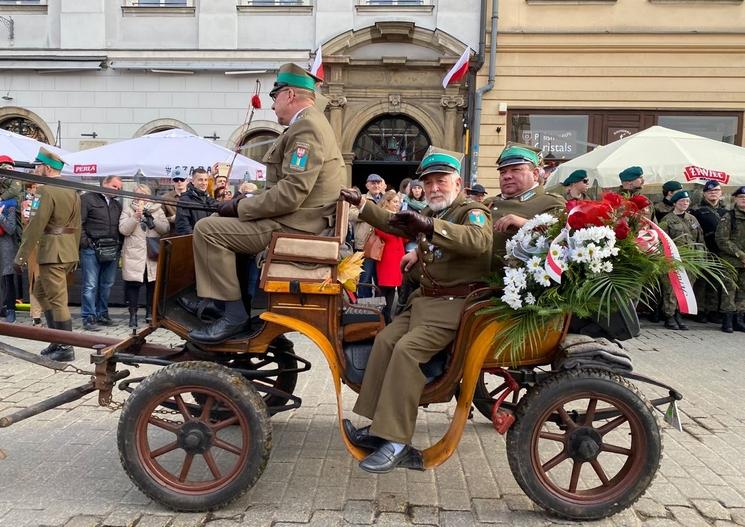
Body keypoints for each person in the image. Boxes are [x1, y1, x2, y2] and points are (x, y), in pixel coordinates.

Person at [340, 146, 492, 473]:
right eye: (429, 181)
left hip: (455, 305)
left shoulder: (471, 211)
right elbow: (397, 224)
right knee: (383, 341)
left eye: (442, 181)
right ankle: (380, 426)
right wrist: (363, 205)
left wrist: (429, 226)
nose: (435, 187)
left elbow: (478, 242)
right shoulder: (436, 213)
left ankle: (396, 441)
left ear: (458, 183)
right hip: (425, 301)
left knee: (407, 352)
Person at [182, 63, 345, 343]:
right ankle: (216, 302)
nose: (272, 106)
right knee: (219, 222)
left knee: (209, 230)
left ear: (290, 95)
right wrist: (244, 201)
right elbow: (287, 188)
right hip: (297, 220)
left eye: (275, 97)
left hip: (295, 226)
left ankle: (231, 316)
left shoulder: (307, 129)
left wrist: (240, 206)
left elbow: (292, 192)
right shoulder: (309, 125)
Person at [14, 147, 80, 362]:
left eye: (38, 166)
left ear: (48, 168)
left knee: (57, 300)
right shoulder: (72, 191)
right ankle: (56, 339)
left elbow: (35, 225)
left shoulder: (46, 190)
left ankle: (65, 346)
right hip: (66, 250)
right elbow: (77, 226)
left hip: (53, 252)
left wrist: (21, 256)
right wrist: (74, 251)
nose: (36, 169)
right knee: (42, 293)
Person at [484, 144, 566, 267]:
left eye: (516, 170)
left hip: (509, 282)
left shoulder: (550, 202)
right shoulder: (488, 203)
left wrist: (525, 224)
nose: (507, 176)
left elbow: (560, 241)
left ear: (535, 174)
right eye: (503, 172)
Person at [119, 184, 169, 328]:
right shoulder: (128, 209)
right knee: (133, 285)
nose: (139, 197)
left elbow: (165, 229)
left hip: (152, 253)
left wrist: (152, 220)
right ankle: (133, 315)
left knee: (152, 284)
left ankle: (150, 313)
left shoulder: (157, 209)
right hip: (134, 253)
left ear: (148, 195)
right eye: (137, 194)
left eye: (143, 194)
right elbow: (123, 230)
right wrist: (135, 217)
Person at [79, 176, 123, 331]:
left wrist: (119, 245)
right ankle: (88, 317)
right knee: (90, 285)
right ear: (104, 183)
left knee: (107, 284)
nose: (117, 190)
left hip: (111, 248)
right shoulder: (87, 198)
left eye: (119, 188)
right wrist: (86, 242)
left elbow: (120, 227)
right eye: (114, 186)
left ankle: (102, 314)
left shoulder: (117, 204)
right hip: (92, 247)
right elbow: (79, 223)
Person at [658, 190, 703, 330]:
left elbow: (700, 240)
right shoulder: (667, 220)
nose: (685, 204)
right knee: (671, 289)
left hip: (691, 260)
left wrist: (700, 256)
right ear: (675, 203)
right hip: (674, 260)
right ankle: (669, 315)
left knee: (686, 289)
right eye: (682, 201)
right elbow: (661, 241)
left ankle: (679, 314)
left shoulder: (692, 219)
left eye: (687, 201)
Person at [691, 180, 728, 323]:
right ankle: (699, 310)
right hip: (704, 250)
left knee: (715, 281)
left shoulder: (725, 212)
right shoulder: (696, 211)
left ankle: (713, 310)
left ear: (721, 193)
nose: (713, 193)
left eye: (716, 190)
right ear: (704, 193)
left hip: (721, 251)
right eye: (710, 191)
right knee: (701, 282)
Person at [715, 186, 745, 333]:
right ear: (735, 199)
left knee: (743, 291)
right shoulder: (729, 216)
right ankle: (727, 321)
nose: (744, 200)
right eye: (741, 197)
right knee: (730, 290)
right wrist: (740, 254)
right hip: (731, 260)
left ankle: (739, 319)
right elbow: (721, 240)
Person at [373, 190, 406, 324]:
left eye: (399, 202)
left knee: (392, 288)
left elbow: (405, 238)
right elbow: (380, 231)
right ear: (387, 202)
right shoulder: (382, 216)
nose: (397, 204)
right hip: (387, 256)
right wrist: (397, 230)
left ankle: (386, 317)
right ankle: (378, 317)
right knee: (382, 288)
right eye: (395, 202)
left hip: (397, 255)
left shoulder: (398, 216)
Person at [175, 167, 217, 235]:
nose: (204, 183)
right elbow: (183, 227)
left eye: (206, 180)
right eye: (200, 180)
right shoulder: (184, 200)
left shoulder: (210, 200)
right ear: (193, 181)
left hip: (211, 240)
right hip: (194, 241)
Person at [0, 198, 18, 323]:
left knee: (8, 278)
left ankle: (10, 309)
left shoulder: (10, 206)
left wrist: (0, 216)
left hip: (6, 247)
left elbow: (11, 229)